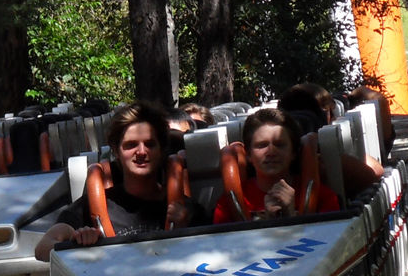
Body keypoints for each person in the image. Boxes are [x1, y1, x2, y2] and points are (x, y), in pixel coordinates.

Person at [35, 102, 206, 260]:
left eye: (149, 144)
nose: (141, 152)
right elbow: (42, 249)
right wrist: (76, 242)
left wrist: (187, 232)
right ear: (116, 151)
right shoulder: (93, 205)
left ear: (161, 150)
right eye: (131, 145)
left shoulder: (186, 209)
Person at [214, 107, 342, 224]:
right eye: (262, 145)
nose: (271, 152)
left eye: (280, 145)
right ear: (248, 155)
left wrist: (291, 216)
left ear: (293, 152)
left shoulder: (323, 197)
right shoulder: (228, 204)